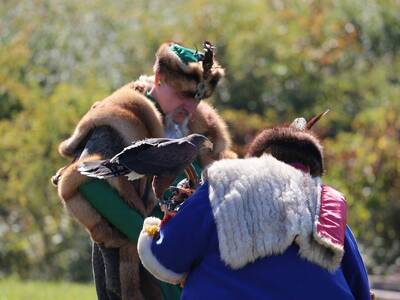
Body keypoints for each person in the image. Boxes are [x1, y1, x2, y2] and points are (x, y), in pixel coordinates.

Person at [52, 41, 236, 300]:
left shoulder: (203, 127)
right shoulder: (121, 118)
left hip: (192, 266)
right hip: (135, 272)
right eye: (182, 95)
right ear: (159, 79)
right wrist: (152, 240)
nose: (190, 106)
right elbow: (83, 181)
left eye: (196, 98)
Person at [137, 115, 372, 300]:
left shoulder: (225, 184)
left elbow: (164, 260)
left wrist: (153, 228)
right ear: (312, 172)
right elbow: (361, 292)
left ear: (255, 161)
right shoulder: (326, 206)